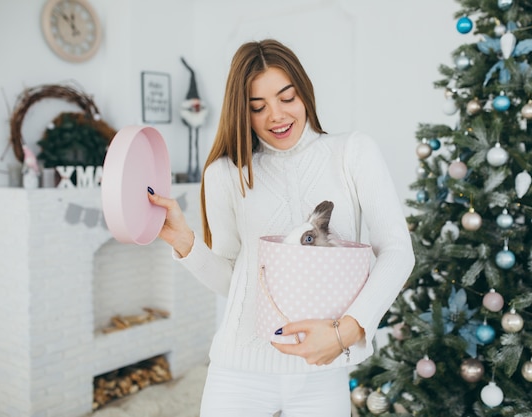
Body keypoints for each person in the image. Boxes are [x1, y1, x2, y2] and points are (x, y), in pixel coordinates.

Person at [148, 39, 415, 417]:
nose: (276, 115)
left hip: (322, 371)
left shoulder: (352, 152)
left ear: (304, 93)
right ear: (243, 111)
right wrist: (185, 243)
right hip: (238, 370)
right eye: (258, 107)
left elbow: (397, 250)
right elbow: (236, 282)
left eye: (287, 98)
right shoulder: (225, 173)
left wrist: (349, 330)